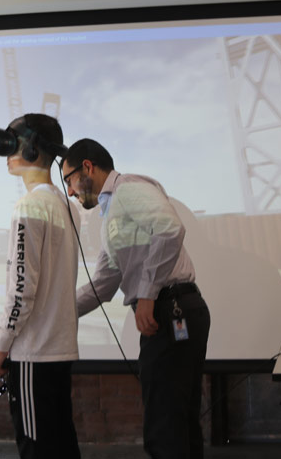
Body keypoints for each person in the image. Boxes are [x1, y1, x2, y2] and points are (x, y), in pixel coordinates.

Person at [61, 138, 211, 459]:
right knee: (176, 422)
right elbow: (103, 283)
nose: (70, 191)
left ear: (87, 167)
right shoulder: (111, 214)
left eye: (69, 180)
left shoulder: (127, 189)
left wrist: (146, 293)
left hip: (171, 311)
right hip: (169, 311)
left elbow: (170, 229)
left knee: (165, 426)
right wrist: (56, 313)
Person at [0, 113, 81, 459]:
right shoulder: (66, 206)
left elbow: (21, 288)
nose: (7, 153)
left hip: (34, 353)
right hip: (59, 349)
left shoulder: (29, 206)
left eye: (14, 144)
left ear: (33, 150)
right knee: (61, 443)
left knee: (37, 447)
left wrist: (0, 348)